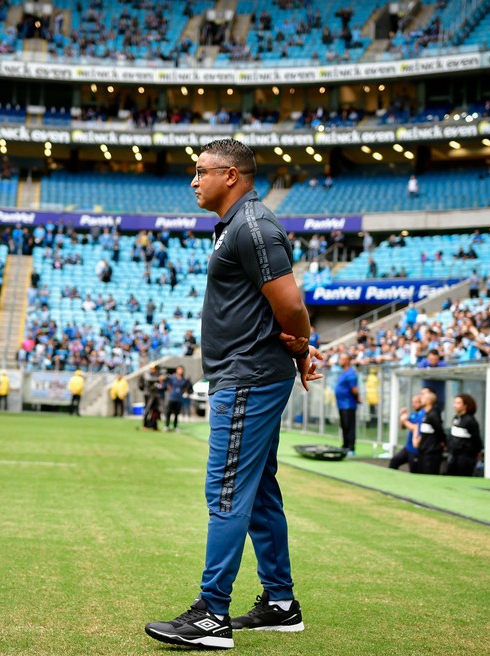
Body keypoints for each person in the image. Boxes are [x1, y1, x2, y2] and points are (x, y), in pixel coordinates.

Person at [145, 139, 324, 649]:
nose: (193, 180)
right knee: (260, 493)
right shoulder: (237, 226)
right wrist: (295, 350)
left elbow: (289, 304)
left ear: (231, 175)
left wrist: (302, 344)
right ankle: (281, 604)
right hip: (247, 374)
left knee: (226, 492)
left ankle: (212, 616)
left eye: (200, 171)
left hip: (247, 378)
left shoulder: (252, 226)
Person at [447, 393, 482, 476]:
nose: (455, 405)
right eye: (455, 403)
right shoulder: (456, 418)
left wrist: (478, 452)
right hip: (454, 455)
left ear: (465, 405)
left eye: (458, 403)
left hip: (465, 457)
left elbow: (476, 439)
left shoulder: (470, 421)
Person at [334, 353, 359, 455]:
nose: (340, 360)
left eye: (342, 359)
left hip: (348, 404)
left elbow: (354, 390)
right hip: (341, 404)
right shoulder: (343, 373)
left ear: (347, 361)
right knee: (344, 426)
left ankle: (351, 448)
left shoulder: (351, 373)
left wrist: (358, 399)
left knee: (349, 426)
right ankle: (345, 446)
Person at [391, 393, 423, 472]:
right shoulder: (413, 414)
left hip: (415, 450)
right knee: (394, 461)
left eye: (416, 402)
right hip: (408, 448)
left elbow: (415, 428)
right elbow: (403, 427)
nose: (413, 404)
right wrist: (402, 417)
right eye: (413, 402)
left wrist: (404, 420)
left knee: (414, 471)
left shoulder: (422, 414)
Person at [416, 389, 445, 475]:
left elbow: (439, 431)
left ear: (429, 401)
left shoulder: (433, 415)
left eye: (423, 397)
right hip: (424, 451)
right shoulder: (426, 414)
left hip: (431, 452)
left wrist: (443, 443)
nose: (421, 399)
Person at [164, 365, 190, 431]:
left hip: (179, 398)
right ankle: (167, 426)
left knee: (176, 413)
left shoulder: (184, 379)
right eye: (179, 369)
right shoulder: (172, 378)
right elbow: (168, 385)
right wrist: (171, 392)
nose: (180, 371)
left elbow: (186, 388)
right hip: (172, 398)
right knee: (169, 412)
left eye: (181, 370)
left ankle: (175, 426)